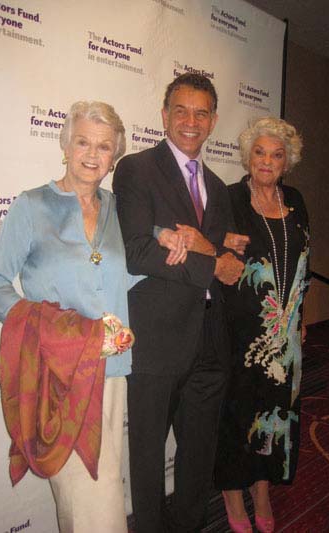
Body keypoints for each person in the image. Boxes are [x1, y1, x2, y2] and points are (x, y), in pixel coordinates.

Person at [0, 101, 135, 533]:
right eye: (83, 141)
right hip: (60, 375)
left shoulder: (122, 209)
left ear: (114, 156)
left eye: (104, 146)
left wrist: (183, 244)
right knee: (97, 511)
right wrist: (51, 330)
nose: (92, 153)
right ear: (65, 145)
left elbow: (138, 267)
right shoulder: (32, 206)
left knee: (93, 501)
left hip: (112, 374)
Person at [113, 73, 245, 533]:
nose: (191, 121)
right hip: (158, 338)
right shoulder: (136, 169)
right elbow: (138, 251)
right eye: (182, 111)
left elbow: (219, 254)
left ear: (213, 121)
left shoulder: (218, 185)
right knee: (148, 457)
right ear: (165, 116)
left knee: (198, 455)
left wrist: (219, 258)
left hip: (211, 338)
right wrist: (213, 266)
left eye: (202, 112)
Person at [214, 117, 310, 533]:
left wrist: (299, 319)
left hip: (284, 334)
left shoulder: (298, 201)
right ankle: (233, 498)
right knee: (238, 414)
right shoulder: (229, 199)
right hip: (240, 332)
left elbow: (306, 264)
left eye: (276, 154)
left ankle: (262, 490)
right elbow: (210, 248)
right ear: (247, 156)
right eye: (259, 152)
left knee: (277, 411)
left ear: (287, 161)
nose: (267, 161)